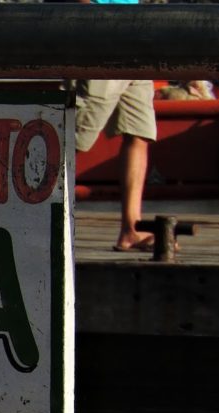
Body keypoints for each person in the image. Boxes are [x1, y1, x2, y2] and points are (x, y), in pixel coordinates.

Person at [74, 0, 157, 252]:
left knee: (139, 132)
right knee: (72, 138)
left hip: (135, 33)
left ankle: (131, 229)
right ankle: (11, 212)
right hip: (104, 32)